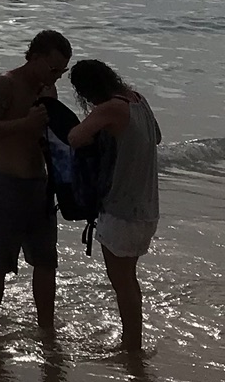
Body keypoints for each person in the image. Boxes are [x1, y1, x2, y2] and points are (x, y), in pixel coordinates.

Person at [0, 30, 73, 336]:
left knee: (46, 264)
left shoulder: (49, 92)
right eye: (52, 69)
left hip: (40, 187)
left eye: (62, 72)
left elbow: (54, 141)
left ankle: (47, 331)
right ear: (34, 57)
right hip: (4, 184)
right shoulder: (5, 83)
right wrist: (25, 123)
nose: (56, 77)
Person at [66, 59, 161, 351]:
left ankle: (131, 345)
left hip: (121, 208)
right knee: (129, 280)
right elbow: (156, 137)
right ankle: (132, 340)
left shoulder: (110, 109)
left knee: (122, 282)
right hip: (146, 207)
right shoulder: (138, 101)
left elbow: (74, 137)